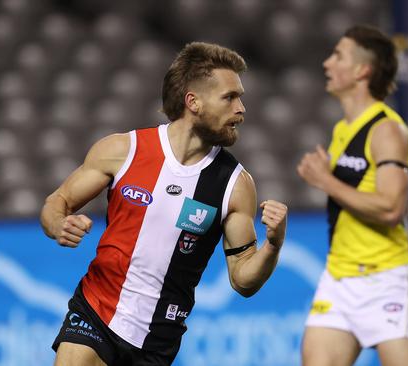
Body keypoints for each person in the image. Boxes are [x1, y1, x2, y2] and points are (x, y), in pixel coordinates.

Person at [40, 42, 288, 366]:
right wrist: (58, 223)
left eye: (240, 97)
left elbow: (243, 280)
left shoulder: (235, 185)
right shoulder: (122, 150)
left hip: (158, 340)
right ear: (193, 102)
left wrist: (273, 243)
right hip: (95, 309)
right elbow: (56, 202)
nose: (241, 109)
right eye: (230, 97)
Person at [297, 24, 408, 366]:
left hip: (382, 280)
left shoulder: (388, 130)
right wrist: (400, 239)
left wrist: (326, 181)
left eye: (338, 55)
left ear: (362, 70)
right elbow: (366, 200)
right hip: (339, 279)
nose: (327, 63)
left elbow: (390, 208)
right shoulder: (342, 130)